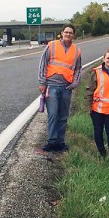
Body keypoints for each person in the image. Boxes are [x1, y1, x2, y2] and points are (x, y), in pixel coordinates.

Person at [38, 24, 82, 152]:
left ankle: (60, 142)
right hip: (51, 86)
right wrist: (42, 82)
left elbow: (78, 69)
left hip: (66, 88)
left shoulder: (77, 51)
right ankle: (52, 142)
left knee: (63, 116)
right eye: (66, 32)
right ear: (62, 33)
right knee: (52, 115)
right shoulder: (52, 45)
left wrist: (75, 83)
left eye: (71, 32)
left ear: (73, 35)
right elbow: (43, 63)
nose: (68, 34)